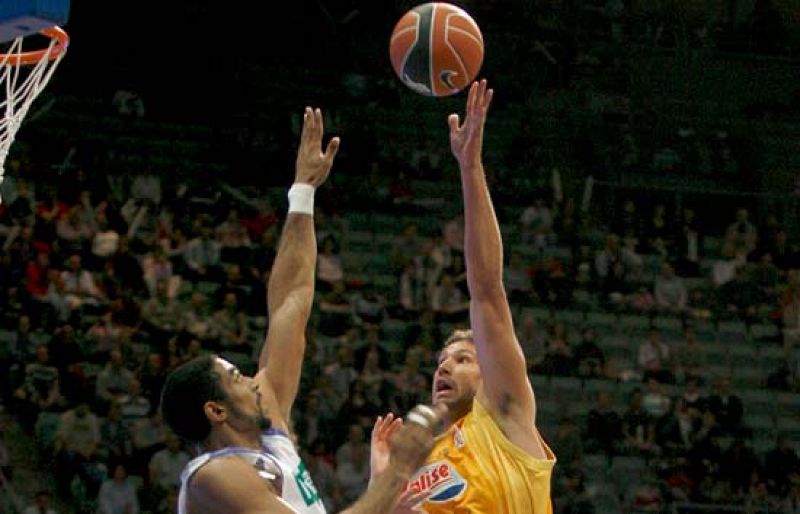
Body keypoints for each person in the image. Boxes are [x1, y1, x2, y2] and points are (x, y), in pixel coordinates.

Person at [161, 107, 442, 514]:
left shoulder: (270, 432)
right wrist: (397, 471)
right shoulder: (211, 476)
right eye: (236, 377)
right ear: (216, 410)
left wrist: (303, 192)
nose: (252, 383)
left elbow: (291, 300)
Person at [370, 81, 556, 513]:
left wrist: (470, 168)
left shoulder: (503, 416)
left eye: (462, 358)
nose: (445, 366)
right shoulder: (421, 462)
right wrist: (381, 487)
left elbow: (487, 290)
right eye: (441, 361)